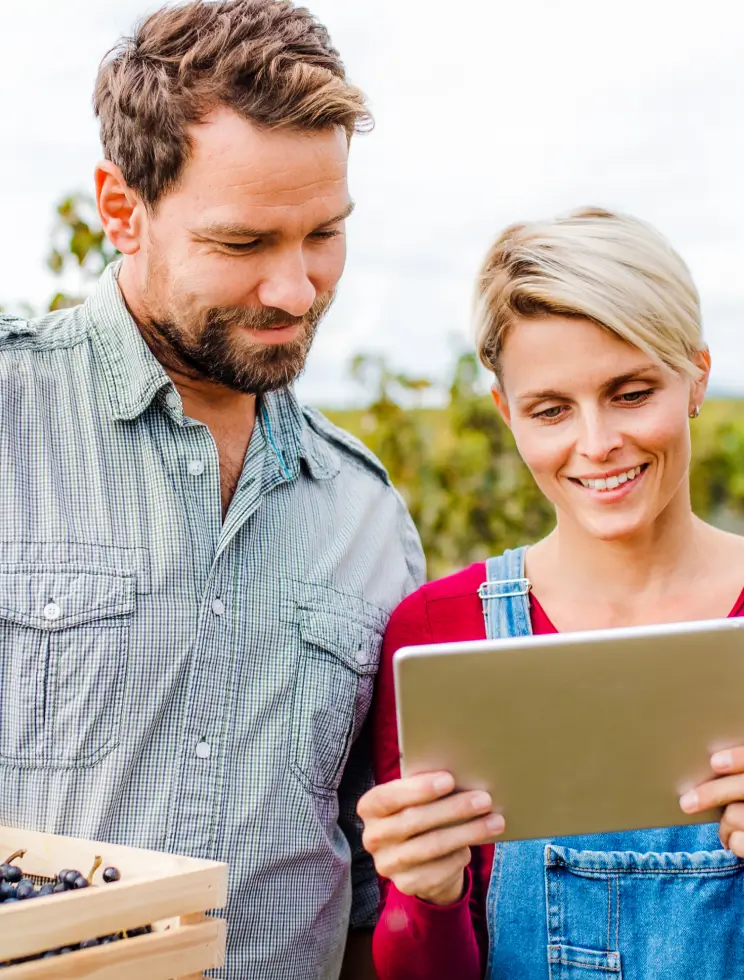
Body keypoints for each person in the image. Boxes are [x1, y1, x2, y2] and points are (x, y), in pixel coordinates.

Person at [0, 2, 424, 978]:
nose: (296, 289)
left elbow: (370, 883)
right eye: (243, 244)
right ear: (121, 208)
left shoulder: (367, 513)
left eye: (324, 233)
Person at [359, 206, 744, 980]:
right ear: (507, 413)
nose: (597, 443)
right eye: (551, 410)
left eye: (631, 393)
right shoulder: (439, 632)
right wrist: (422, 900)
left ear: (697, 375)